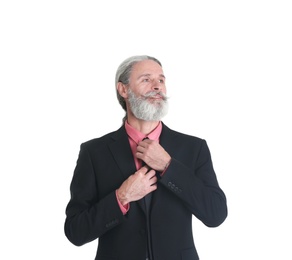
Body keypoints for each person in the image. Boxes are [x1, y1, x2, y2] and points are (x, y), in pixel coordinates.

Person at [64, 55, 228, 260]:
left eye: (161, 80)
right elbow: (75, 231)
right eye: (146, 79)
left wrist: (169, 166)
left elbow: (216, 214)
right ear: (123, 90)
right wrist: (121, 197)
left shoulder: (194, 148)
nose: (157, 86)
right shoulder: (94, 152)